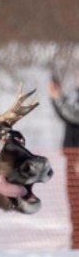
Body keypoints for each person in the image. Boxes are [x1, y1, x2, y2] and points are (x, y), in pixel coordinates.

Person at [50, 70, 79, 248]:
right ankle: (76, 243)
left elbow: (74, 115)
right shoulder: (76, 95)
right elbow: (67, 115)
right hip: (72, 155)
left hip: (77, 156)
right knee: (74, 202)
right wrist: (57, 98)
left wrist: (58, 98)